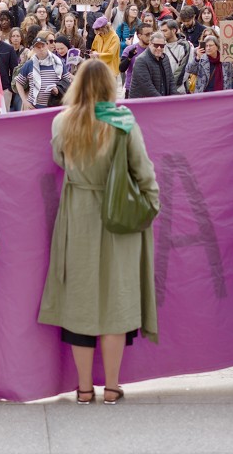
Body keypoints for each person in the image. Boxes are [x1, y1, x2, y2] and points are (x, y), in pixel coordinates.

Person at [38, 58, 159, 405]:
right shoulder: (123, 122)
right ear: (110, 86)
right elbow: (144, 171)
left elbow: (60, 160)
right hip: (119, 215)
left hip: (77, 215)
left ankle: (83, 388)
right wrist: (151, 206)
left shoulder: (62, 122)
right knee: (115, 300)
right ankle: (112, 387)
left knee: (80, 299)